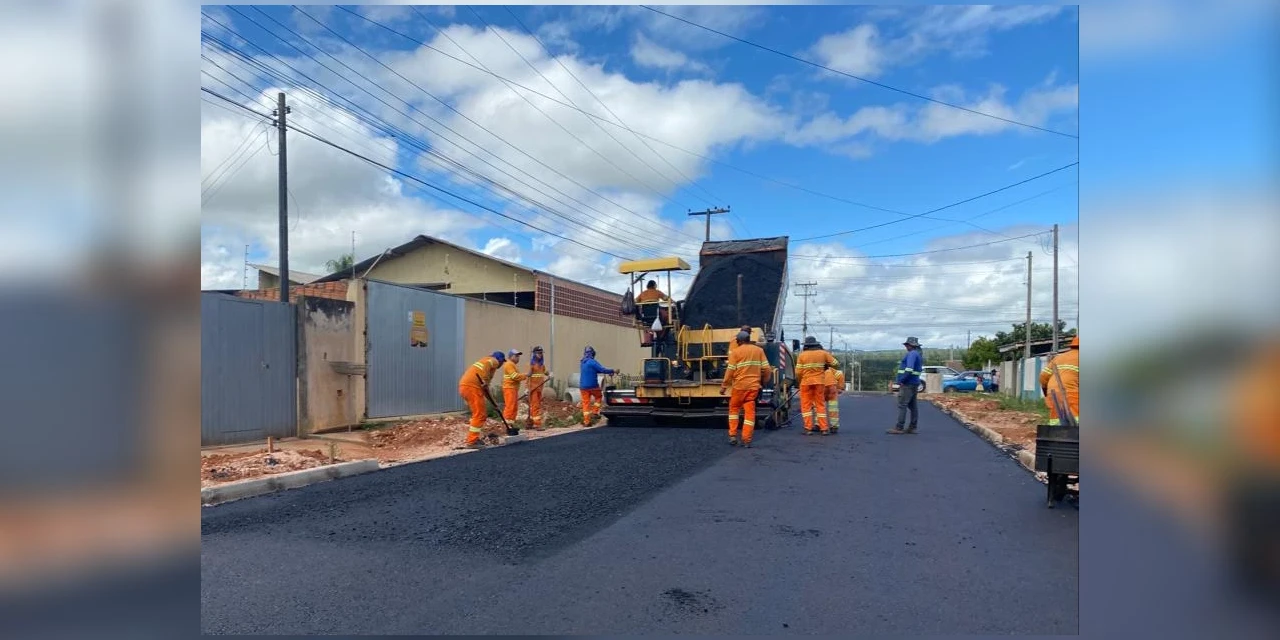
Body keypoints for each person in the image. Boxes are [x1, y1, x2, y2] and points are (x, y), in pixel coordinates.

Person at [720, 330, 773, 447]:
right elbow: (767, 369)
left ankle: (733, 435)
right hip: (753, 387)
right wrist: (763, 382)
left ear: (738, 341)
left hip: (739, 387)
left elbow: (730, 371)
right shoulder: (759, 351)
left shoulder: (735, 352)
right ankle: (746, 440)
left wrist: (724, 386)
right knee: (750, 413)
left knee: (734, 409)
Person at [458, 350, 505, 448]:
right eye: (502, 362)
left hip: (466, 387)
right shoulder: (492, 361)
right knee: (479, 414)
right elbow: (491, 362)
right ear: (500, 360)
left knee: (480, 414)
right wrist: (484, 379)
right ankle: (472, 441)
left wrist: (494, 404)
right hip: (472, 387)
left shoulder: (485, 369)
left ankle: (473, 439)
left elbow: (486, 390)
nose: (501, 364)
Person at [795, 336, 839, 435]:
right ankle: (824, 429)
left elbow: (798, 372)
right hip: (820, 382)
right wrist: (826, 366)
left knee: (806, 406)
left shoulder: (802, 355)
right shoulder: (823, 353)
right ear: (816, 344)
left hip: (806, 383)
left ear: (806, 346)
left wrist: (799, 381)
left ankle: (808, 428)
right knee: (820, 405)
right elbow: (836, 363)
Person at [1039, 335, 1080, 425]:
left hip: (1053, 393)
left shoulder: (1059, 357)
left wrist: (1046, 393)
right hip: (1072, 393)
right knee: (1077, 420)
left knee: (1056, 420)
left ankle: (1056, 437)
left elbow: (1043, 377)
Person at [888, 337, 924, 434]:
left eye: (907, 345)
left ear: (910, 345)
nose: (906, 347)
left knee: (902, 405)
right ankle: (912, 427)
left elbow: (909, 369)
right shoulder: (918, 354)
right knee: (913, 406)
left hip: (908, 383)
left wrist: (902, 380)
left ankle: (899, 427)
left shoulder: (912, 354)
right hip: (914, 382)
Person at [579, 346, 616, 425]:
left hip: (582, 387)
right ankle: (595, 412)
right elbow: (602, 369)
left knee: (586, 403)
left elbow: (592, 371)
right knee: (599, 396)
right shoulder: (593, 362)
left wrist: (607, 372)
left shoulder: (582, 362)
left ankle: (586, 421)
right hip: (593, 386)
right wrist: (612, 371)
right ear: (592, 353)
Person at [500, 349, 527, 426]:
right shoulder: (509, 364)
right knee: (510, 406)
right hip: (509, 388)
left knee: (513, 407)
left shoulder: (512, 365)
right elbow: (514, 376)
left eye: (518, 356)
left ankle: (510, 424)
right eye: (516, 356)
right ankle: (506, 424)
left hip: (513, 388)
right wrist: (525, 375)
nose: (518, 358)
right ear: (511, 356)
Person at [526, 346, 548, 430]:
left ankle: (531, 421)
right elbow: (528, 377)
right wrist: (527, 388)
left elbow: (545, 371)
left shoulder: (541, 364)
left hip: (539, 388)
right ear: (534, 354)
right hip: (533, 388)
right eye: (539, 353)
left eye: (541, 353)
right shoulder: (531, 364)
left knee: (536, 405)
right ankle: (537, 424)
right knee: (535, 406)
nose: (540, 355)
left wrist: (549, 374)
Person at [825, 361, 846, 434]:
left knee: (818, 407)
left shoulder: (813, 370)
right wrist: (840, 388)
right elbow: (840, 374)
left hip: (820, 389)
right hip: (832, 388)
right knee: (833, 408)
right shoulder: (830, 370)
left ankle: (818, 425)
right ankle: (834, 427)